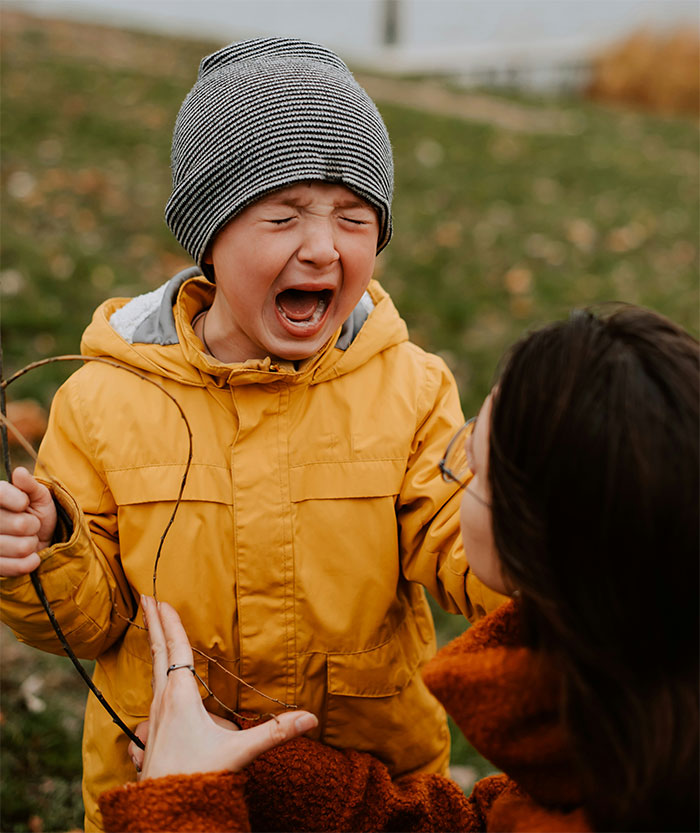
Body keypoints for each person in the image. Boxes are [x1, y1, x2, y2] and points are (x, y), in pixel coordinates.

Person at [0, 38, 504, 830]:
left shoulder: (409, 388)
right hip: (168, 784)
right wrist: (49, 546)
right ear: (208, 235)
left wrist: (523, 526)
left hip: (367, 797)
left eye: (354, 217)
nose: (322, 245)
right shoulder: (104, 399)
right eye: (282, 215)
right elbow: (88, 621)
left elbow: (456, 542)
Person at [99, 305, 698, 832]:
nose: (454, 475)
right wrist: (275, 774)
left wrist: (178, 798)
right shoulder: (625, 730)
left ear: (545, 538)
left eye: (478, 469)